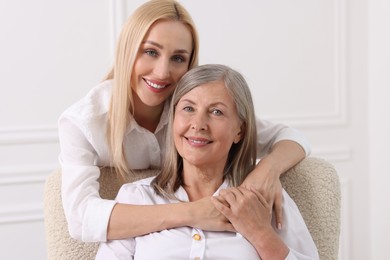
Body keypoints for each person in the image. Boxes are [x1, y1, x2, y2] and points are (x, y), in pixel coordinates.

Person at [58, 0, 310, 243]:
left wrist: (267, 171)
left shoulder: (192, 110)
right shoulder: (84, 122)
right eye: (150, 52)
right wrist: (193, 212)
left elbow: (291, 137)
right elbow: (80, 218)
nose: (162, 72)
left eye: (178, 58)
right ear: (127, 51)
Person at [95, 64, 319, 260]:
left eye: (216, 112)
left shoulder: (266, 198)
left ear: (239, 130)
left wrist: (260, 233)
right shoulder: (137, 198)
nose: (198, 124)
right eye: (188, 109)